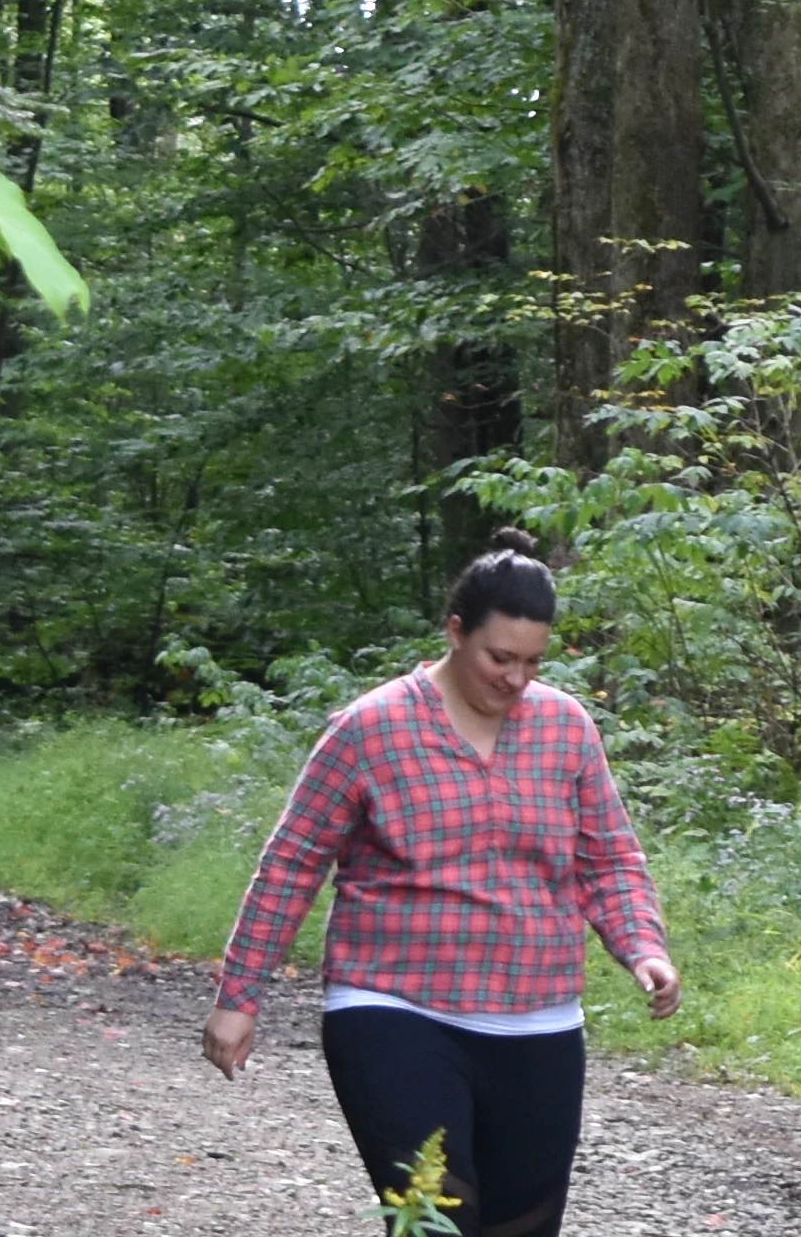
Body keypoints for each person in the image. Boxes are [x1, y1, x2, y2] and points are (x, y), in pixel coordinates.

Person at [205, 530, 685, 1237]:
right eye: (499, 657)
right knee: (437, 1223)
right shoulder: (369, 729)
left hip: (539, 1018)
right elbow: (292, 864)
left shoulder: (565, 728)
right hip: (393, 1008)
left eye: (531, 661)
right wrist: (239, 997)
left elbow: (607, 859)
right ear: (455, 632)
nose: (515, 678)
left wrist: (643, 948)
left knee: (521, 1225)